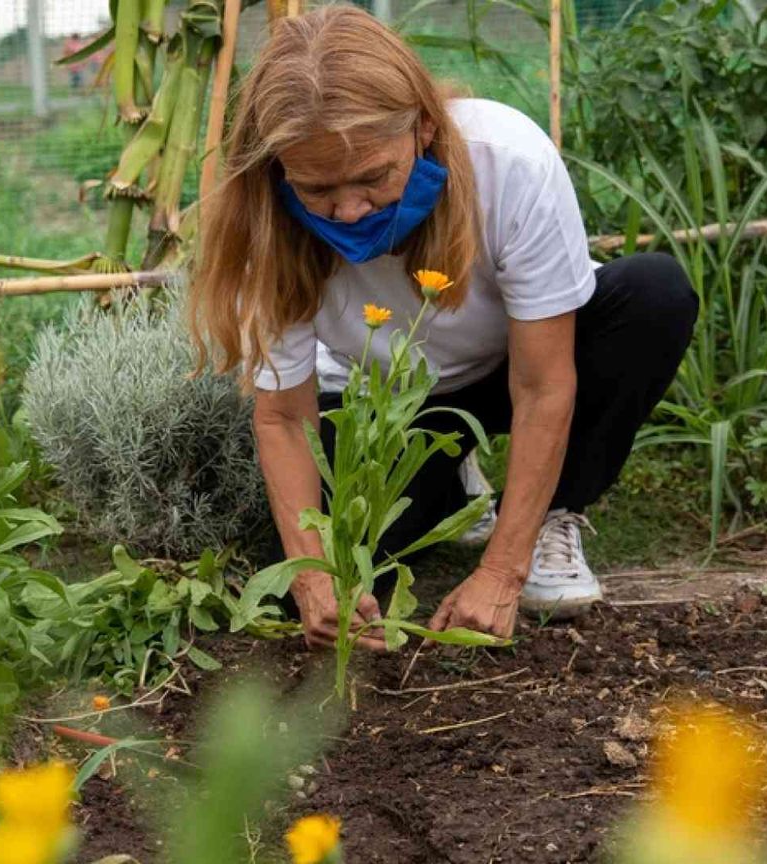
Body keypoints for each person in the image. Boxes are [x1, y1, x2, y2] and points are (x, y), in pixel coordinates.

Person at [189, 7, 696, 645]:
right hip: (386, 399)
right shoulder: (265, 221)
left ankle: (551, 517)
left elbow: (543, 386)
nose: (348, 211)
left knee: (654, 294)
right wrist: (315, 577)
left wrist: (500, 573)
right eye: (317, 188)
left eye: (374, 176)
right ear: (280, 168)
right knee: (351, 563)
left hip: (516, 361)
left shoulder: (507, 162)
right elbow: (284, 419)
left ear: (423, 127)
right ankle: (451, 487)